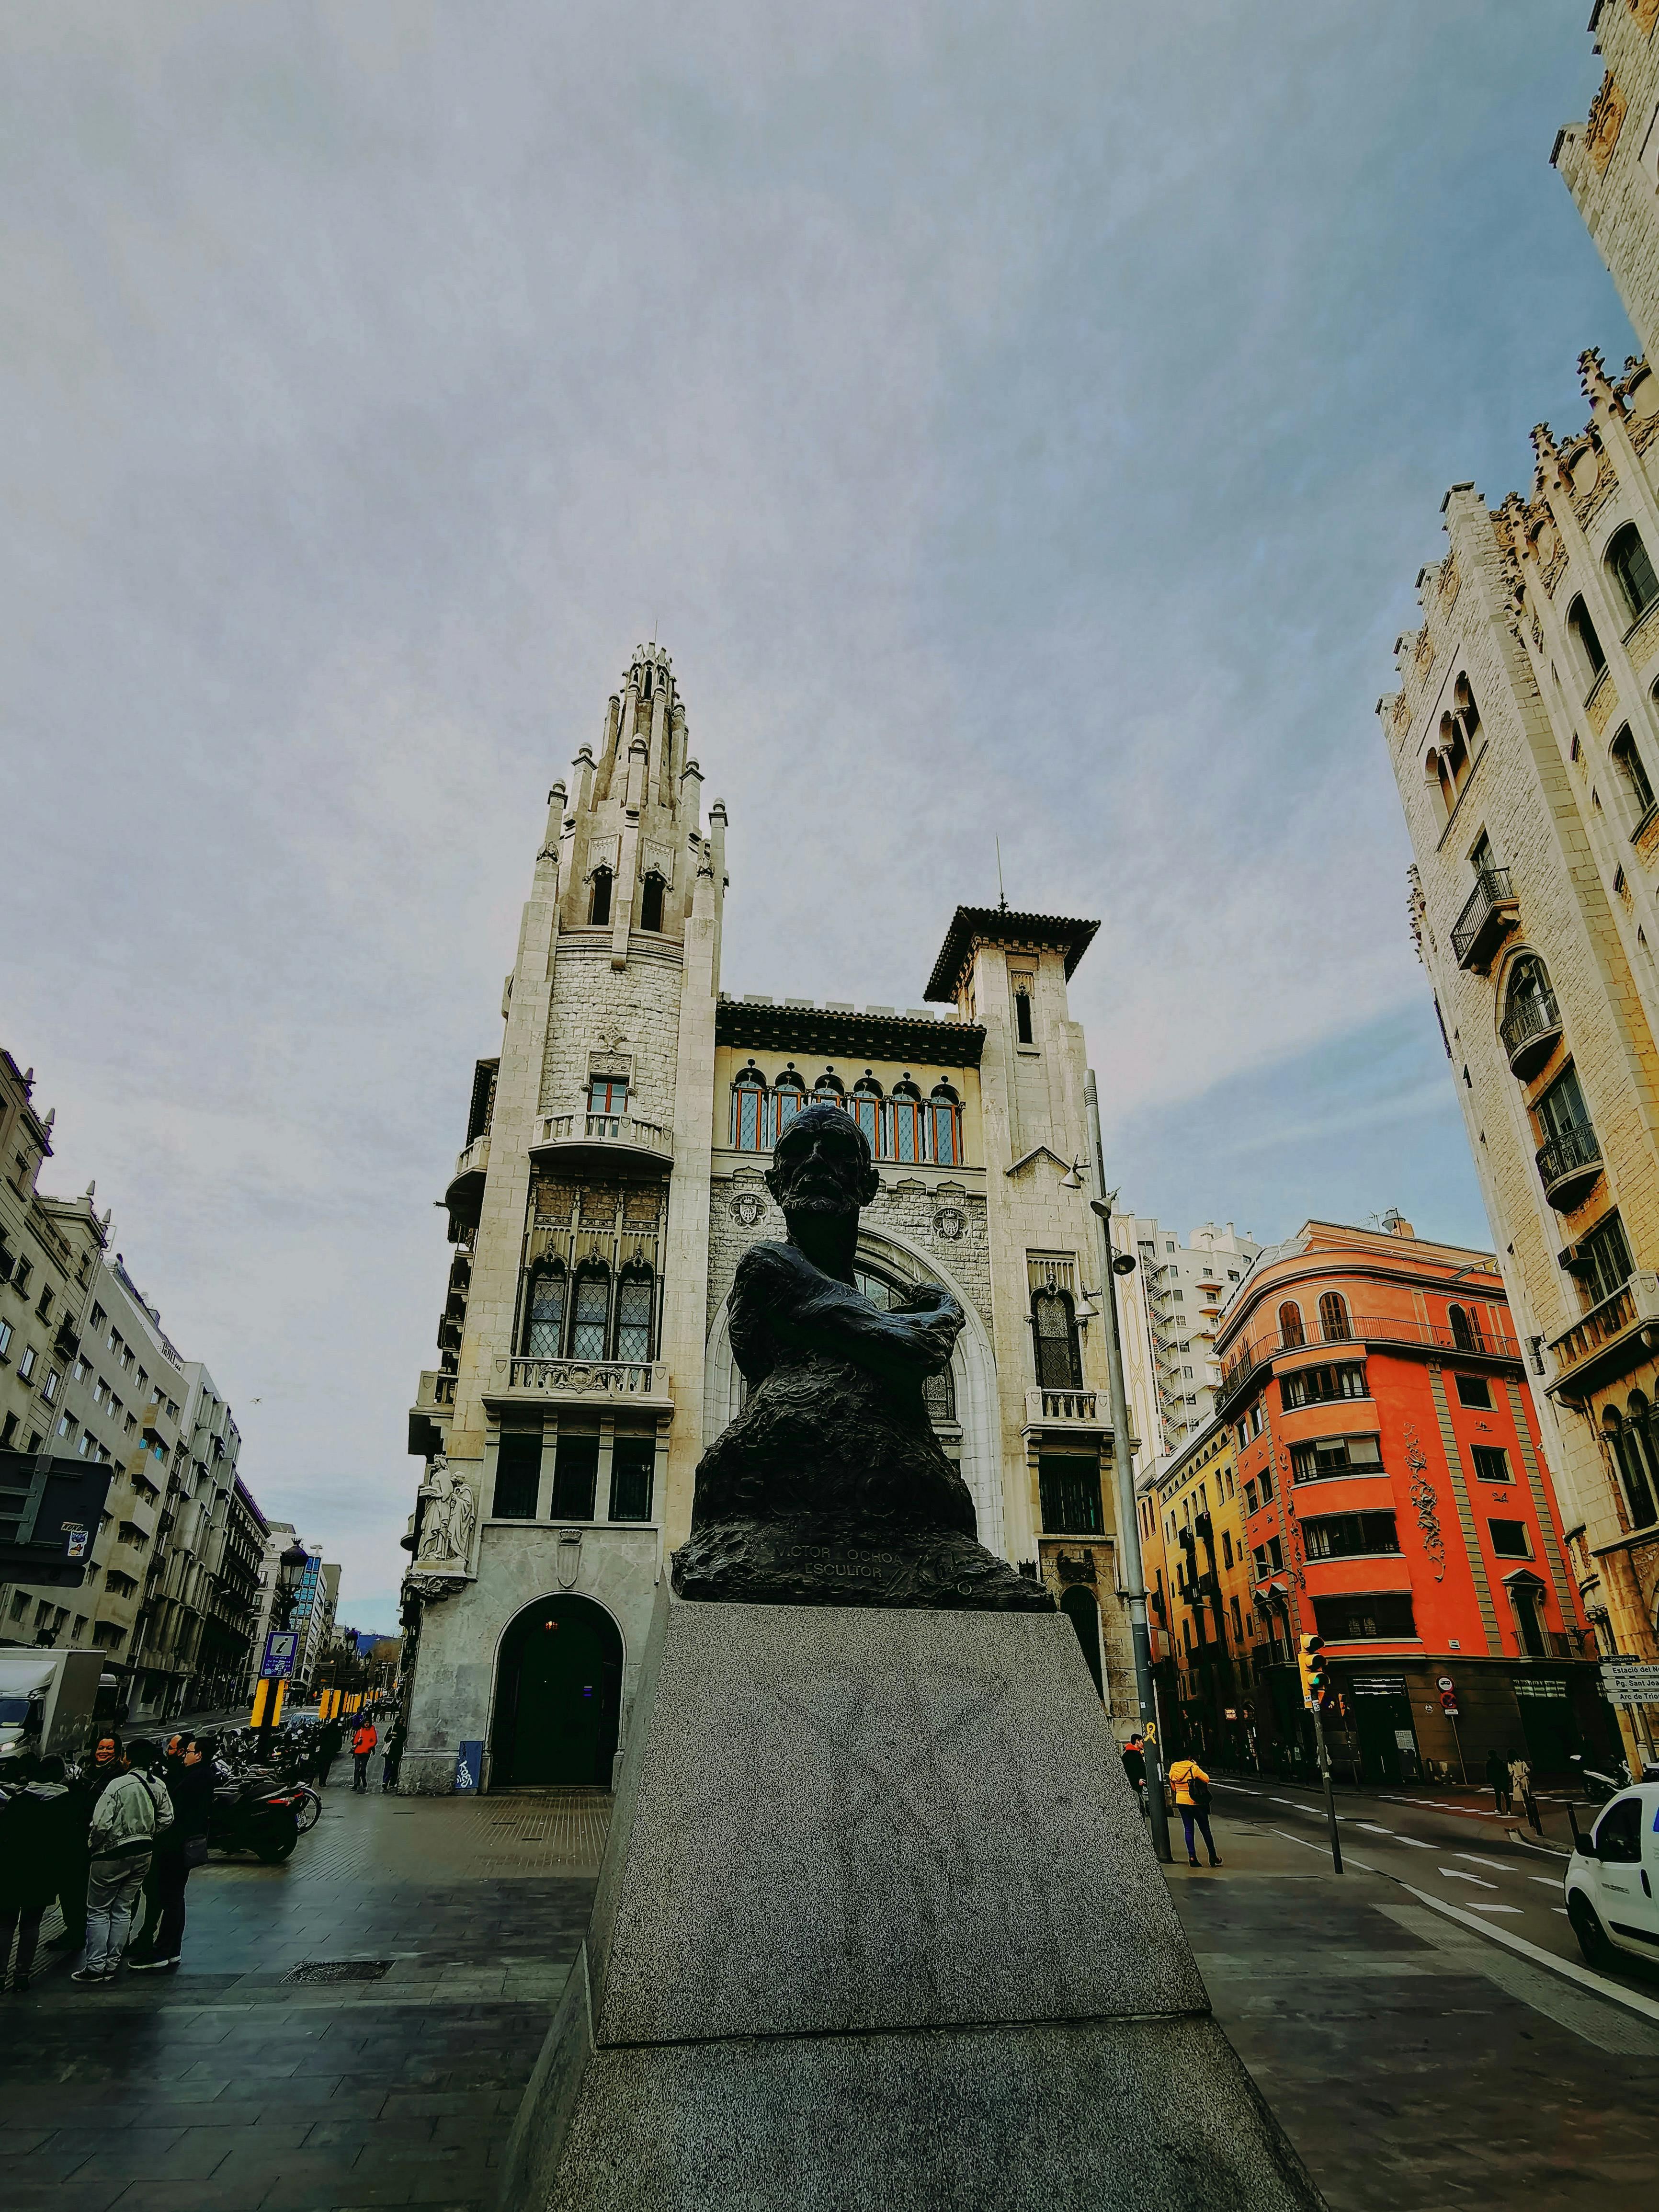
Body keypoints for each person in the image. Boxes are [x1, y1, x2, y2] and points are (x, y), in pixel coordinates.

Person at [75, 1739, 169, 1984]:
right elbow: (168, 1817)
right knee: (123, 1908)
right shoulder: (157, 1784)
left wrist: (92, 1846)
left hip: (111, 1854)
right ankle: (113, 1962)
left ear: (127, 1758)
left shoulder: (118, 1784)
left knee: (98, 1911)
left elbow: (100, 1823)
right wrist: (147, 1833)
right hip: (143, 1853)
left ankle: (95, 1967)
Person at [128, 1736, 213, 1974]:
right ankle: (171, 1949)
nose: (184, 1754)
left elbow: (175, 1808)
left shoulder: (197, 1777)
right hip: (179, 1846)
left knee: (172, 1897)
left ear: (199, 1755)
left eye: (188, 1751)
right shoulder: (198, 1775)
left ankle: (164, 1949)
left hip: (175, 1847)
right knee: (174, 1897)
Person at [2, 1754, 76, 1993]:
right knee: (31, 1925)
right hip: (44, 1872)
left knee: (5, 1925)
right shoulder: (66, 1803)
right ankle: (22, 1975)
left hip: (12, 1870)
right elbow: (68, 1843)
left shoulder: (20, 1800)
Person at [48, 1730, 125, 1955]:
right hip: (75, 1841)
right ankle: (74, 1930)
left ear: (118, 1752)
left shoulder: (117, 1777)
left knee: (96, 1894)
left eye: (109, 1749)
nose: (103, 1753)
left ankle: (93, 1937)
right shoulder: (86, 1774)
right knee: (70, 1888)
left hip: (100, 1843)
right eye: (101, 1748)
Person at [1166, 1753, 1221, 1868]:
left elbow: (1173, 1786)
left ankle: (1192, 1857)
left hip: (1181, 1801)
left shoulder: (1173, 1768)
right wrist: (1195, 1767)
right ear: (1189, 1758)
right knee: (1205, 1830)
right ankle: (1213, 1856)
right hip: (1196, 1802)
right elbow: (1206, 1779)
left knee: (1189, 1830)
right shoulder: (1193, 1767)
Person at [1121, 1733, 1148, 1815]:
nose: (1143, 1744)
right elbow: (1129, 1771)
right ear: (1137, 1742)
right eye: (1142, 1742)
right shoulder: (1132, 1755)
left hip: (1137, 1787)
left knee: (1141, 1808)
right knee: (1139, 1809)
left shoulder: (1133, 1754)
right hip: (1135, 1787)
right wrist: (1137, 1780)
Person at [314, 1717, 345, 1788]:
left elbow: (319, 1739)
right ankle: (323, 1782)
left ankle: (320, 1781)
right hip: (331, 1752)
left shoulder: (325, 1729)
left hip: (323, 1751)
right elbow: (339, 1742)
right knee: (327, 1767)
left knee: (322, 1766)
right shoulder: (337, 1731)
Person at [351, 1717, 378, 1792]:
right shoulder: (360, 1731)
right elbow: (355, 1741)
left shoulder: (372, 1730)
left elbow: (375, 1740)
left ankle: (363, 1779)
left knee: (363, 1769)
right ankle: (356, 1783)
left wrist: (369, 1746)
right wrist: (358, 1741)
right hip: (358, 1752)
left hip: (366, 1752)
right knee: (357, 1768)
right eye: (365, 1723)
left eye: (368, 1723)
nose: (367, 1724)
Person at [1486, 1745, 1512, 1815]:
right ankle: (1509, 1810)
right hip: (1504, 1781)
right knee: (1507, 1796)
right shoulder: (1501, 1762)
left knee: (1498, 1796)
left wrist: (1489, 1782)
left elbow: (1488, 1773)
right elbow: (1506, 1772)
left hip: (1496, 1782)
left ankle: (1499, 1809)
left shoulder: (1489, 1763)